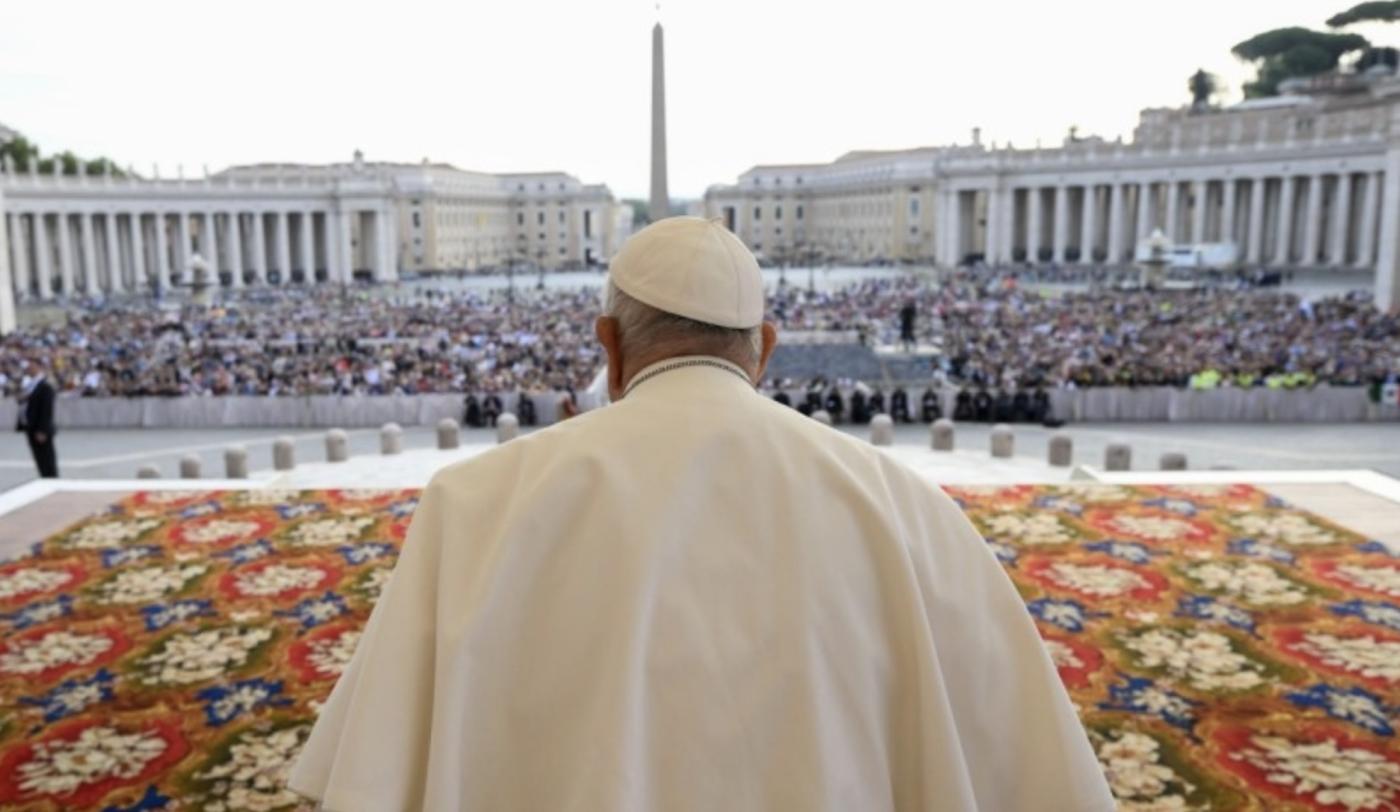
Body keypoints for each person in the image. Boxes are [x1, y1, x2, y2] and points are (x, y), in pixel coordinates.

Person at [290, 217, 1112, 811]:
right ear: (766, 347)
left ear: (607, 346)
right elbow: (1032, 773)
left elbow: (369, 781)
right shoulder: (908, 508)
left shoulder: (468, 505)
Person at [16, 360, 58, 478]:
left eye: (31, 366)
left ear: (39, 367)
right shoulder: (30, 384)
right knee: (39, 457)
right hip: (31, 426)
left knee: (46, 457)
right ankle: (45, 478)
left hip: (40, 429)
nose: (28, 369)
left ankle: (51, 480)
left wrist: (43, 430)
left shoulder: (45, 385)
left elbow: (46, 410)